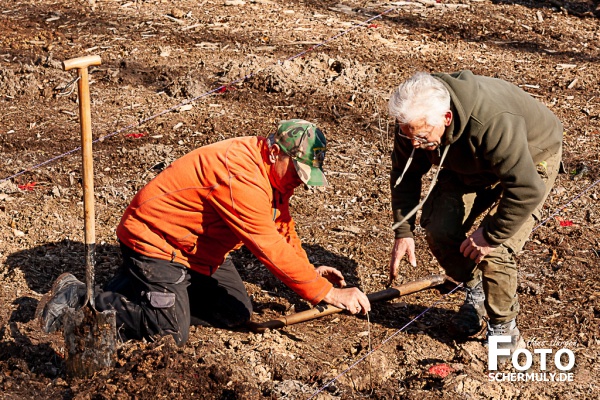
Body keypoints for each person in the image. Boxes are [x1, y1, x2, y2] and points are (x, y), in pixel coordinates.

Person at [37, 119, 371, 345]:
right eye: (298, 171)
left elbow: (281, 228)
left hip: (196, 249)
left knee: (235, 313)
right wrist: (326, 293)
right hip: (156, 241)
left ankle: (144, 293)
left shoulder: (273, 175)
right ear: (273, 152)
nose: (299, 180)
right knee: (169, 332)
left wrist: (309, 273)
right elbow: (267, 245)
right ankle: (82, 296)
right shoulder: (240, 176)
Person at [387, 71, 562, 352]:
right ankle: (477, 290)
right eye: (409, 136)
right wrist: (403, 230)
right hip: (470, 161)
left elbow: (526, 188)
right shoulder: (412, 122)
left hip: (530, 157)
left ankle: (504, 332)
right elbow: (404, 174)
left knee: (497, 249)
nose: (415, 145)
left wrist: (490, 234)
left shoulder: (492, 122)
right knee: (439, 226)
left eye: (422, 137)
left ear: (446, 118)